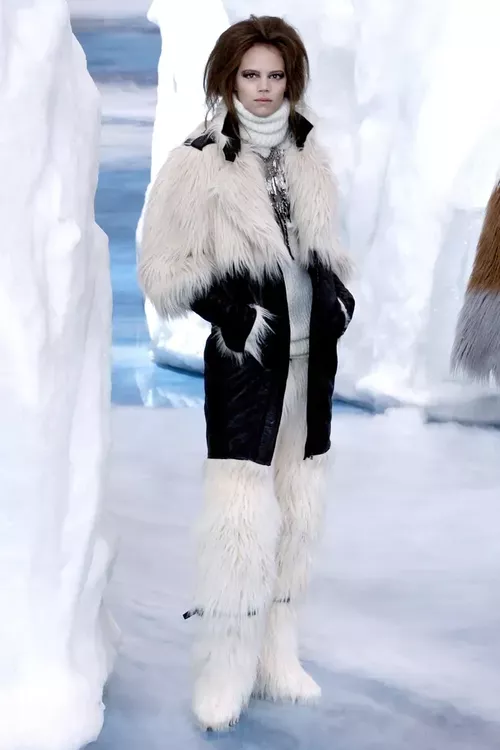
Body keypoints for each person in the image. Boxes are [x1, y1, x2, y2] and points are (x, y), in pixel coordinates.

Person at [138, 14, 355, 731]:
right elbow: (162, 269)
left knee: (296, 514)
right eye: (249, 76)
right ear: (227, 80)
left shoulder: (309, 154)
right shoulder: (197, 162)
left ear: (290, 79)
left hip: (308, 367)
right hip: (247, 366)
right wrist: (233, 314)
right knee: (239, 519)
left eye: (275, 76)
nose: (263, 91)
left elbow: (327, 246)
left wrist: (338, 297)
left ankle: (277, 659)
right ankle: (222, 671)